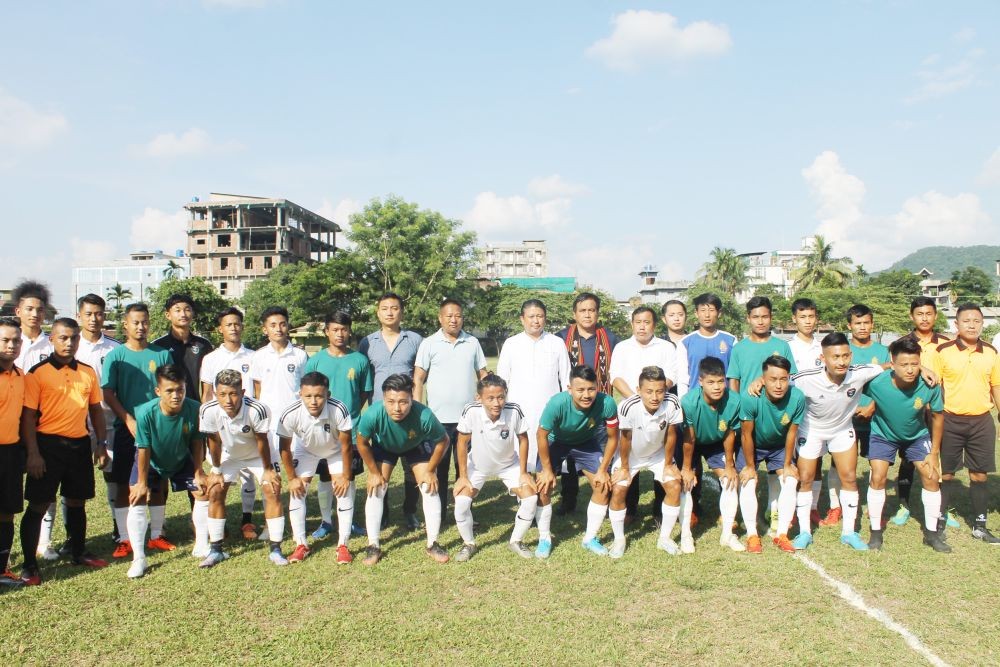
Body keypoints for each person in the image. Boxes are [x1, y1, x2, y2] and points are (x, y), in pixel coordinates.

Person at [18, 318, 109, 585]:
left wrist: (101, 444)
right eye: (63, 338)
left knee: (77, 501)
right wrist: (33, 453)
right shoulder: (37, 373)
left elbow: (95, 410)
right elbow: (28, 417)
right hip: (47, 446)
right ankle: (30, 564)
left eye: (73, 338)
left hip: (79, 445)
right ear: (52, 340)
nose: (69, 343)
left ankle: (78, 552)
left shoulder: (87, 372)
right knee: (38, 504)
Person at [777, 333, 887, 551]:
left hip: (841, 430)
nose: (841, 361)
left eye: (846, 356)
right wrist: (760, 380)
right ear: (823, 358)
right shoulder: (805, 378)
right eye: (835, 357)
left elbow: (892, 366)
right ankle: (805, 532)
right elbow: (778, 380)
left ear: (851, 355)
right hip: (812, 431)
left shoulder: (859, 372)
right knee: (806, 479)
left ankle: (848, 532)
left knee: (849, 478)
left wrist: (924, 369)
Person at [862, 338, 949, 552]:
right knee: (878, 476)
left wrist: (934, 452)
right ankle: (875, 532)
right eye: (904, 364)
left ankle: (931, 533)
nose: (910, 370)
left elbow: (937, 417)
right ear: (892, 363)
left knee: (930, 476)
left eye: (915, 364)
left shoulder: (929, 384)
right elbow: (849, 377)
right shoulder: (877, 382)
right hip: (883, 434)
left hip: (917, 436)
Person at [101, 304, 173, 558]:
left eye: (144, 322)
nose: (141, 327)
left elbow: (171, 387)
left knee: (156, 480)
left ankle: (156, 535)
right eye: (135, 323)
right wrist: (128, 419)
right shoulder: (116, 355)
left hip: (157, 428)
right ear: (126, 325)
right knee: (123, 482)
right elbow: (108, 392)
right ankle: (124, 538)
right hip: (126, 429)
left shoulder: (162, 354)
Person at [355, 374, 450, 565]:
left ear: (412, 398)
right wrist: (374, 473)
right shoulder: (373, 414)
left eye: (403, 402)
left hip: (416, 445)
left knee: (429, 488)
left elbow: (443, 441)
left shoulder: (424, 415)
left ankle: (433, 543)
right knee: (376, 489)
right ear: (383, 399)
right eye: (390, 402)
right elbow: (362, 443)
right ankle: (373, 545)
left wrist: (430, 471)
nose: (397, 408)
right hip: (385, 447)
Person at [124, 364, 208, 579]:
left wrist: (198, 471)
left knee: (202, 490)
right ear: (158, 391)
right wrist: (142, 482)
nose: (176, 395)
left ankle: (201, 545)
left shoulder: (194, 408)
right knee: (137, 497)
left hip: (180, 459)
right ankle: (139, 559)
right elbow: (143, 448)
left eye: (180, 389)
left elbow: (197, 443)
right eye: (169, 390)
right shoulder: (144, 413)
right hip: (150, 461)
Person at [198, 369, 287, 567]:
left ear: (243, 392)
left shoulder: (258, 410)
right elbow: (213, 441)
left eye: (233, 393)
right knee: (215, 491)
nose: (228, 399)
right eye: (222, 394)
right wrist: (216, 470)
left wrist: (268, 470)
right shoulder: (208, 410)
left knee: (272, 490)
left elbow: (262, 441)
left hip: (259, 455)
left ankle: (276, 549)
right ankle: (216, 550)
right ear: (215, 392)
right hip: (229, 455)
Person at [929, 303, 1000, 544]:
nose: (972, 325)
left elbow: (996, 386)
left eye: (977, 321)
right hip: (950, 420)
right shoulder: (944, 351)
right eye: (966, 321)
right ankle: (939, 522)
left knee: (979, 474)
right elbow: (935, 387)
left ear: (982, 324)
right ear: (956, 324)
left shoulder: (991, 352)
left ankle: (980, 525)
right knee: (946, 474)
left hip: (981, 421)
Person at [413, 298, 488, 520]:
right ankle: (439, 515)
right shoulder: (428, 343)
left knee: (466, 468)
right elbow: (418, 378)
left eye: (458, 316)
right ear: (440, 318)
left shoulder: (472, 342)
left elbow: (483, 374)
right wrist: (418, 409)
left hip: (468, 419)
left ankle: (464, 513)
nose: (454, 320)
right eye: (449, 316)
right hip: (437, 420)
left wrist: (484, 393)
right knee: (439, 468)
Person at [819, 304, 891, 531]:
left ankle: (873, 508)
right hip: (845, 419)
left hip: (875, 418)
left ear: (872, 324)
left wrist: (872, 406)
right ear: (849, 325)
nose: (862, 327)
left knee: (875, 462)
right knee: (836, 465)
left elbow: (889, 383)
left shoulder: (882, 351)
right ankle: (835, 506)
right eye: (857, 323)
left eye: (866, 322)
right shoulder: (841, 351)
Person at [535, 365, 619, 558]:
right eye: (580, 390)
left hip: (586, 443)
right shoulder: (557, 403)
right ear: (569, 389)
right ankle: (544, 538)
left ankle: (589, 538)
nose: (586, 395)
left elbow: (613, 438)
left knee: (603, 485)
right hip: (556, 441)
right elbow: (541, 435)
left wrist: (603, 469)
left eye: (591, 389)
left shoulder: (607, 403)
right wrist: (547, 469)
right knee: (543, 485)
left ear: (598, 387)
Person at [303, 311, 373, 541]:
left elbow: (364, 393)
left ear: (349, 331)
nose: (339, 334)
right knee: (324, 478)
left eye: (344, 329)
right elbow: (308, 395)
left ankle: (349, 519)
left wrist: (348, 415)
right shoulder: (315, 361)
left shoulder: (360, 361)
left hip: (351, 430)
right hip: (323, 431)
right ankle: (326, 521)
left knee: (348, 476)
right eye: (334, 329)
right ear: (326, 332)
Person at [609, 306, 682, 525]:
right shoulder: (622, 347)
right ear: (632, 324)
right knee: (631, 454)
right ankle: (630, 509)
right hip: (631, 408)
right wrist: (636, 400)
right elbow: (616, 377)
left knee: (661, 454)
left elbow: (671, 376)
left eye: (647, 322)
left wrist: (653, 397)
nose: (642, 326)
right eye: (638, 322)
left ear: (654, 324)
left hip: (659, 408)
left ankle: (660, 511)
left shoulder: (666, 347)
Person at [452, 374, 537, 561]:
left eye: (500, 397)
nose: (497, 403)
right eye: (490, 398)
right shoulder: (471, 410)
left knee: (531, 498)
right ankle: (469, 544)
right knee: (461, 503)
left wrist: (523, 472)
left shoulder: (514, 410)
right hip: (478, 466)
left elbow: (523, 439)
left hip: (508, 465)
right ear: (479, 398)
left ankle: (516, 541)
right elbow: (461, 443)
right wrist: (463, 476)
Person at [358, 293, 424, 531]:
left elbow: (421, 376)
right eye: (384, 308)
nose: (389, 312)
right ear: (378, 313)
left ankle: (409, 512)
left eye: (394, 308)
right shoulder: (367, 342)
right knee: (380, 468)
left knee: (411, 469)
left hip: (408, 414)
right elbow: (365, 378)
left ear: (401, 312)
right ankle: (383, 514)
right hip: (380, 416)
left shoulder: (415, 340)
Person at [276, 372, 354, 564]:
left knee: (343, 490)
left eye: (319, 396)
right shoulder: (290, 413)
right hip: (306, 451)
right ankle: (301, 544)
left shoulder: (339, 409)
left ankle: (343, 545)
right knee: (297, 492)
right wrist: (292, 478)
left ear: (327, 394)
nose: (313, 401)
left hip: (334, 450)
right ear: (300, 394)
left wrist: (345, 475)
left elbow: (346, 446)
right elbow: (284, 448)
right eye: (308, 396)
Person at [555, 293, 620, 516]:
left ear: (597, 313)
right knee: (569, 459)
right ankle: (568, 500)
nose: (587, 314)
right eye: (582, 310)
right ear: (574, 314)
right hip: (571, 410)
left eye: (591, 310)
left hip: (599, 409)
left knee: (603, 454)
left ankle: (607, 500)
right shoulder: (561, 338)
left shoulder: (610, 338)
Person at [611, 366, 684, 557]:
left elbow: (671, 434)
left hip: (658, 454)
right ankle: (619, 540)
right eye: (649, 391)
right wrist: (625, 467)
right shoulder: (627, 406)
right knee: (618, 489)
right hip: (632, 455)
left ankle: (664, 538)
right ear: (638, 390)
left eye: (660, 391)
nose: (655, 397)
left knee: (675, 486)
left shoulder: (673, 402)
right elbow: (624, 439)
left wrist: (668, 464)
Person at [250, 305, 309, 540]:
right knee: (272, 478)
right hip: (269, 427)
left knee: (296, 476)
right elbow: (257, 391)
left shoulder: (300, 355)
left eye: (282, 324)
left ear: (288, 326)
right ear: (265, 329)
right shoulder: (259, 356)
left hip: (295, 426)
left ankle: (297, 526)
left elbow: (305, 390)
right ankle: (270, 525)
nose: (278, 329)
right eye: (273, 325)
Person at [199, 307, 258, 538]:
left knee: (248, 473)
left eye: (237, 323)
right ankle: (216, 523)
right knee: (220, 473)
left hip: (247, 421)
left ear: (242, 326)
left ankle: (247, 521)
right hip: (221, 424)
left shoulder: (253, 356)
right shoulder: (211, 358)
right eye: (228, 324)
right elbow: (206, 394)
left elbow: (257, 390)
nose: (233, 328)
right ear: (219, 329)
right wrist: (206, 424)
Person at [738, 356, 805, 554]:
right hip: (754, 445)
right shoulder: (750, 397)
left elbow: (792, 432)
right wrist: (750, 466)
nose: (778, 385)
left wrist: (787, 464)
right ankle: (752, 535)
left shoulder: (797, 397)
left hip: (779, 447)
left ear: (789, 378)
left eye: (783, 379)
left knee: (790, 480)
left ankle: (782, 534)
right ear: (763, 379)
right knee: (748, 482)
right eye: (773, 379)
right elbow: (746, 434)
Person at [895, 296, 952, 528]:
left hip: (939, 409)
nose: (924, 318)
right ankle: (903, 504)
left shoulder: (948, 344)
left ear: (936, 315)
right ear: (912, 316)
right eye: (920, 314)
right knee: (909, 458)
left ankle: (942, 509)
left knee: (940, 456)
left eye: (929, 313)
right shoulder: (902, 343)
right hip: (912, 411)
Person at [496, 299, 571, 472]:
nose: (536, 320)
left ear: (545, 318)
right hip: (518, 408)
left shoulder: (556, 343)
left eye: (540, 316)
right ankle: (524, 492)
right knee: (520, 453)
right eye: (531, 316)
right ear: (522, 319)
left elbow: (567, 377)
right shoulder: (511, 343)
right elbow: (502, 379)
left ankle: (545, 493)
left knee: (547, 453)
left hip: (549, 408)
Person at [680, 293, 735, 523]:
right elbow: (684, 378)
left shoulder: (730, 340)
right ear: (696, 313)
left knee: (725, 461)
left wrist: (731, 402)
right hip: (695, 411)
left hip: (720, 410)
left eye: (712, 309)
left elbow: (733, 376)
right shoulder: (686, 342)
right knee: (691, 464)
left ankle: (728, 513)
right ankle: (693, 508)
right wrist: (685, 408)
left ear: (719, 313)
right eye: (703, 310)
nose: (707, 314)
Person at [72, 294, 121, 548]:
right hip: (75, 425)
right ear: (79, 314)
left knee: (113, 477)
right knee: (72, 482)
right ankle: (72, 537)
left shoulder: (115, 348)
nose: (94, 319)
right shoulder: (70, 345)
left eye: (99, 313)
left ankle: (117, 528)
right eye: (88, 313)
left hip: (108, 423)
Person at [680, 357, 744, 554]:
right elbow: (688, 439)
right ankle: (685, 535)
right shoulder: (689, 402)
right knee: (686, 482)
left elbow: (729, 434)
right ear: (701, 382)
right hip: (692, 442)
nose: (717, 387)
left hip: (716, 442)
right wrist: (687, 468)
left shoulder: (734, 400)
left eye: (720, 381)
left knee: (730, 480)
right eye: (711, 382)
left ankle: (727, 534)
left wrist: (730, 465)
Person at [783, 297, 824, 530]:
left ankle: (813, 507)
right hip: (795, 412)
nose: (807, 321)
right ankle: (792, 507)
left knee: (816, 462)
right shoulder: (787, 347)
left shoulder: (823, 346)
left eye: (811, 316)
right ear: (794, 319)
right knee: (794, 461)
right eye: (802, 317)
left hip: (819, 412)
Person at [0, 318, 24, 586]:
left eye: (16, 340)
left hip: (11, 453)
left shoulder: (20, 377)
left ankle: (2, 569)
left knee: (7, 512)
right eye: (5, 340)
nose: (11, 345)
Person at [153, 294, 213, 403]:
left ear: (193, 313)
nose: (183, 314)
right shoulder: (158, 346)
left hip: (197, 407)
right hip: (169, 407)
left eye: (187, 310)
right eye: (178, 310)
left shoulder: (204, 345)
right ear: (168, 315)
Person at [12, 280, 53, 372]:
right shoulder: (8, 343)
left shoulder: (52, 344)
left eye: (40, 310)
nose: (35, 314)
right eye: (29, 309)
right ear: (18, 311)